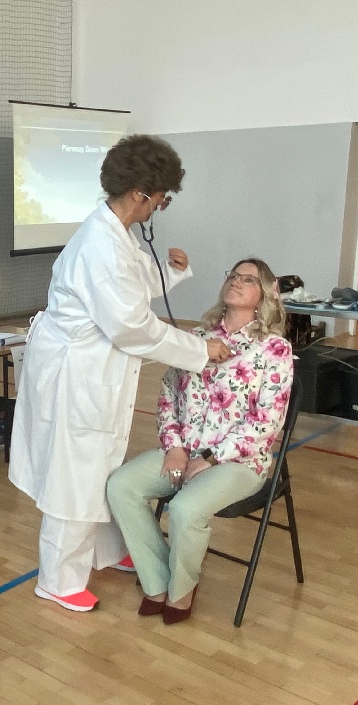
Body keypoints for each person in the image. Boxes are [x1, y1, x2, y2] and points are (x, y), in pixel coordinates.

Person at [9, 135, 233, 612]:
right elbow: (133, 327)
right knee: (74, 474)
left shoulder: (116, 233)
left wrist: (172, 272)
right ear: (139, 194)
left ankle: (108, 551)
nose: (161, 207)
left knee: (103, 467)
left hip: (92, 369)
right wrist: (200, 349)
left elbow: (134, 283)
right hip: (75, 375)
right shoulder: (101, 245)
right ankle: (58, 579)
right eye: (161, 199)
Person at [106, 259, 293, 624]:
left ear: (264, 295)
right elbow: (167, 395)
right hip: (183, 452)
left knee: (185, 509)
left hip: (238, 463)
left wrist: (210, 457)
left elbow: (267, 422)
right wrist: (175, 447)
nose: (236, 282)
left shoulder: (274, 349)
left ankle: (183, 589)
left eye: (248, 279)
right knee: (121, 486)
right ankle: (156, 580)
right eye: (233, 275)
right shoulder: (196, 339)